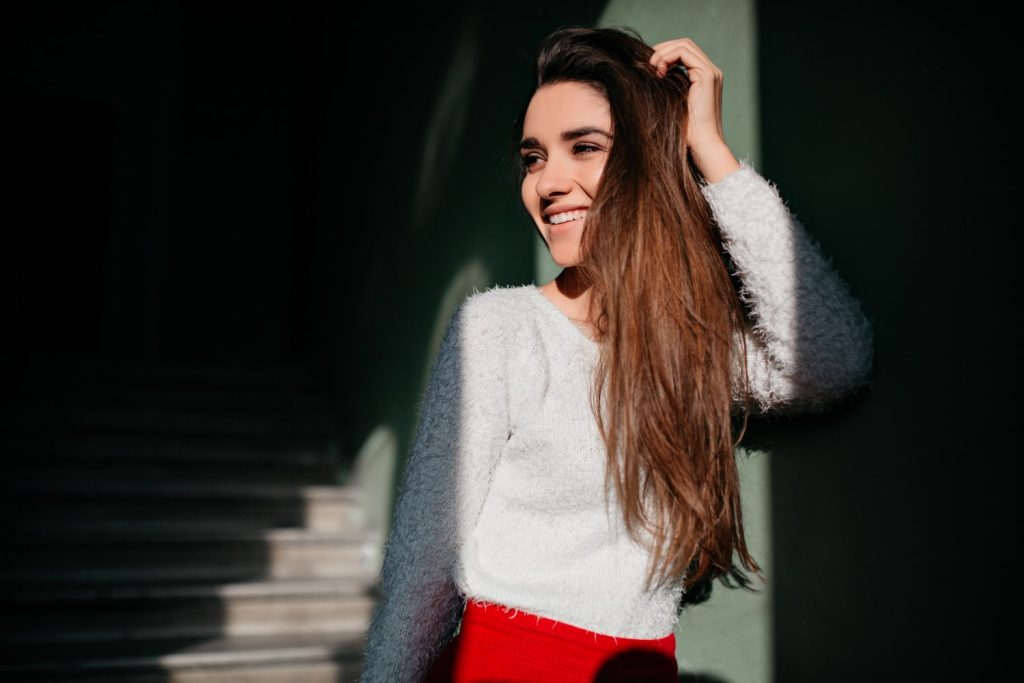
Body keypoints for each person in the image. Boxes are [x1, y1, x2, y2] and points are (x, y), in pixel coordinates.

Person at [359, 26, 874, 683]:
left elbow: (833, 358)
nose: (548, 182)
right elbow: (422, 562)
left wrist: (711, 151)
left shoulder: (687, 344)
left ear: (645, 159)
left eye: (584, 147)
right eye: (533, 158)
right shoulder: (498, 327)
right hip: (501, 663)